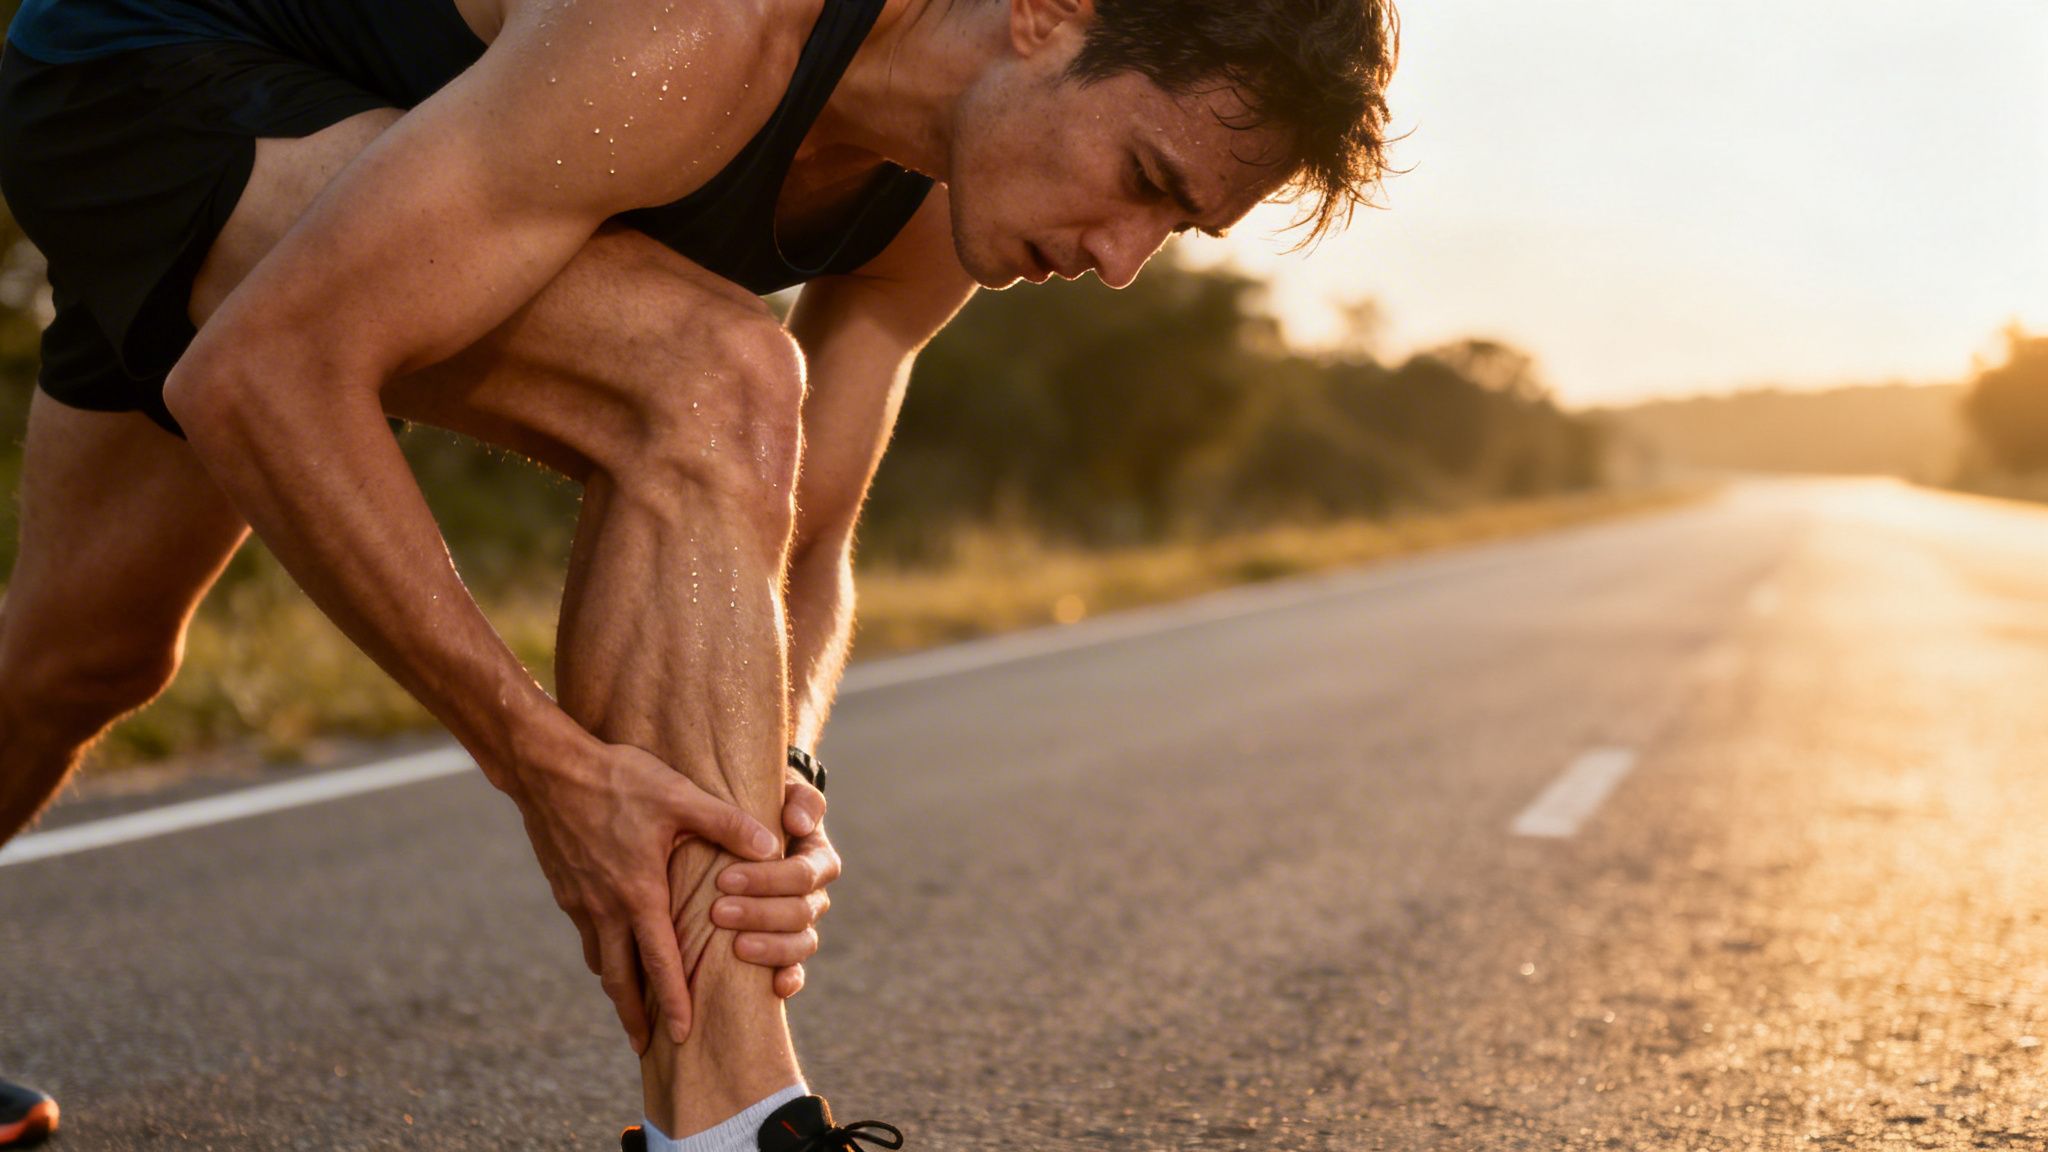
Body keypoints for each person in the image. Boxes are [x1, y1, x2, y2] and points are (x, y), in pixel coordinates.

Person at [0, 0, 1398, 1146]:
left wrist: (785, 766)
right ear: (1046, 13)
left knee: (81, 657)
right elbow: (265, 374)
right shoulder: (712, 25)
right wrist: (541, 758)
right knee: (713, 377)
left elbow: (807, 539)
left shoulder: (941, 196)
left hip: (351, 166)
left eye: (1177, 230)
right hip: (152, 68)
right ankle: (734, 1124)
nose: (1120, 260)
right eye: (1144, 182)